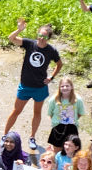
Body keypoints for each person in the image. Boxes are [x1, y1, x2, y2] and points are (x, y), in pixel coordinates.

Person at [4, 18, 62, 150]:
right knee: (16, 111)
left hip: (40, 88)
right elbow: (11, 38)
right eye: (40, 35)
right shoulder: (30, 44)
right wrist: (19, 29)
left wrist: (51, 77)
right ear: (37, 34)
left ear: (48, 38)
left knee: (37, 113)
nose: (42, 38)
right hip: (25, 86)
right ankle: (5, 135)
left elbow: (59, 64)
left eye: (45, 36)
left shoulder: (51, 50)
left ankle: (32, 137)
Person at [46, 78, 86, 151]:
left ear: (72, 87)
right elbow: (50, 113)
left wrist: (73, 119)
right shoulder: (54, 99)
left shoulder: (78, 99)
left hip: (72, 127)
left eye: (67, 86)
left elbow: (80, 113)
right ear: (59, 88)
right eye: (62, 86)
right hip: (58, 128)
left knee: (71, 150)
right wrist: (57, 122)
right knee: (57, 150)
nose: (65, 88)